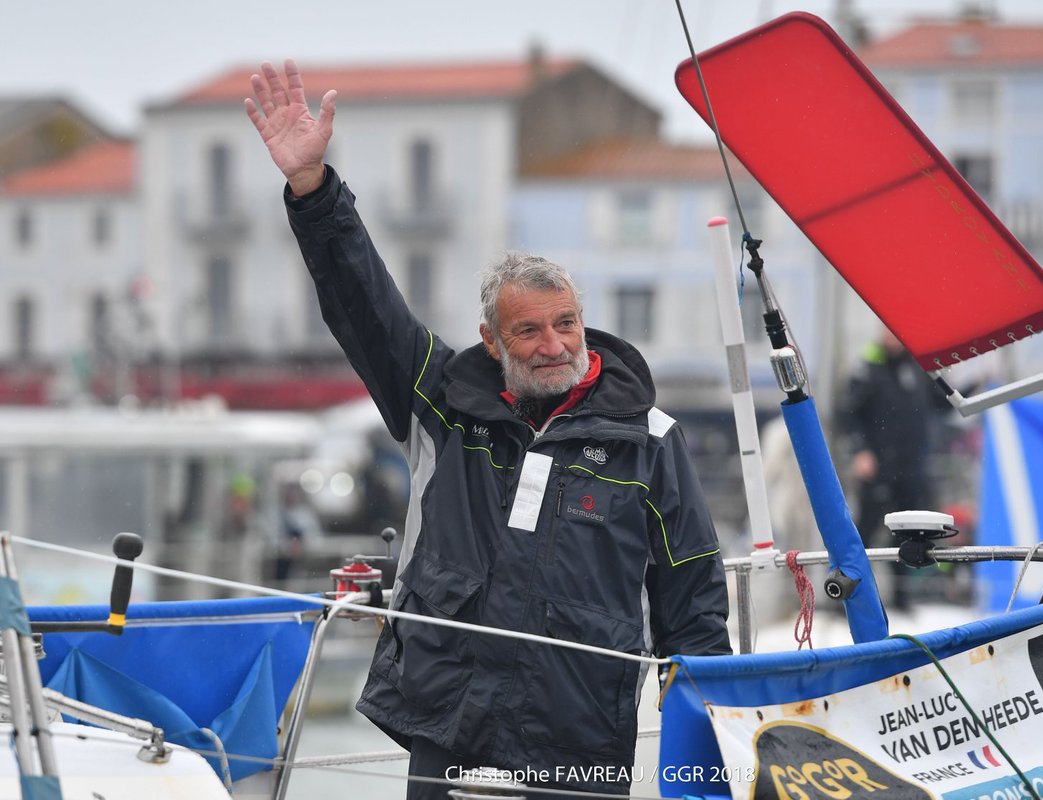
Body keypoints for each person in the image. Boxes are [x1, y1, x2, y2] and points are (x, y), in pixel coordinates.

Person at [244, 60, 731, 799]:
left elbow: (691, 598)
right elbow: (361, 301)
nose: (555, 344)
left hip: (581, 736)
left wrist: (711, 726)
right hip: (449, 722)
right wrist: (313, 191)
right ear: (492, 340)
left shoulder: (651, 439)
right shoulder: (437, 401)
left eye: (566, 324)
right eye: (529, 331)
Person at [838, 325, 950, 611]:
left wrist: (974, 384)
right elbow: (848, 414)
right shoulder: (869, 367)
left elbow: (942, 404)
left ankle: (901, 597)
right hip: (879, 466)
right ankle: (848, 592)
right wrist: (860, 451)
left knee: (908, 533)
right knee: (865, 528)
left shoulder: (916, 368)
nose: (892, 338)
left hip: (911, 467)